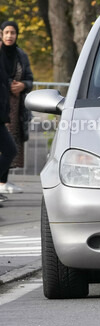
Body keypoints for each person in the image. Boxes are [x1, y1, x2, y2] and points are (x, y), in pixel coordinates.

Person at [0, 20, 30, 198]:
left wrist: (23, 85)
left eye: (13, 32)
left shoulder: (20, 55)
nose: (10, 36)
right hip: (3, 108)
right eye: (6, 32)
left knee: (11, 148)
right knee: (9, 148)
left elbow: (29, 78)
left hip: (11, 108)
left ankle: (3, 182)